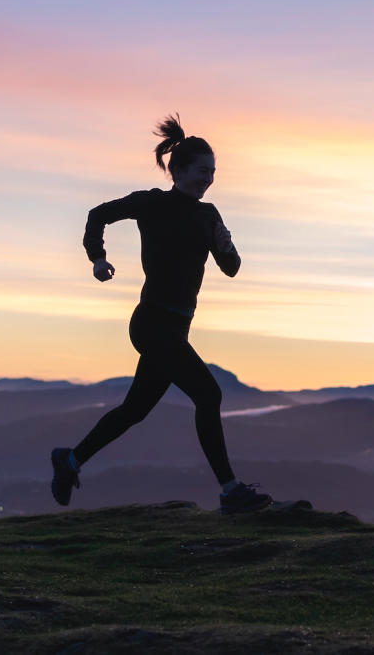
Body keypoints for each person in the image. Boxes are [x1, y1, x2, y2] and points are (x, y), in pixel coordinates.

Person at [50, 113, 273, 515]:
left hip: (176, 329)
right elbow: (97, 214)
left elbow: (232, 267)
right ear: (180, 170)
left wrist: (227, 244)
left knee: (135, 410)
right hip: (152, 323)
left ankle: (70, 460)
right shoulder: (151, 203)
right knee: (209, 394)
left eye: (213, 173)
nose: (209, 179)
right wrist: (98, 259)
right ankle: (230, 490)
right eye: (203, 171)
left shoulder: (209, 215)